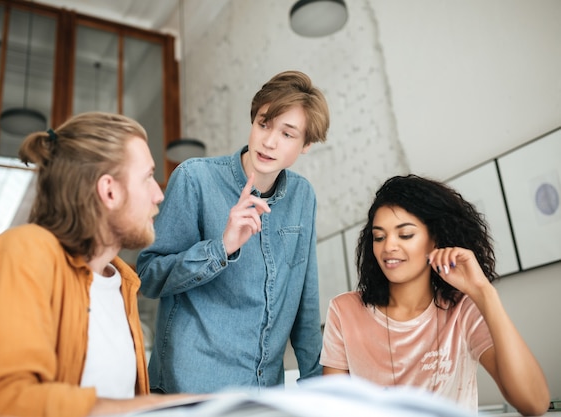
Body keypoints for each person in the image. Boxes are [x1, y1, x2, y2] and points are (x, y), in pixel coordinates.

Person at [0, 112, 192, 417]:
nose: (159, 194)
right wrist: (155, 406)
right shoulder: (21, 252)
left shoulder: (123, 284)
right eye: (148, 178)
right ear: (109, 191)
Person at [136, 70, 329, 393]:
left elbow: (305, 302)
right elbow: (148, 276)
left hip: (263, 393)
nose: (269, 141)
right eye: (263, 124)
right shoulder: (195, 179)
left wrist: (317, 389)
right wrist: (221, 247)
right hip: (191, 389)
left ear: (307, 144)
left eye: (288, 134)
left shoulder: (302, 196)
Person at [320, 174, 550, 415]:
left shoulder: (463, 310)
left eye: (405, 235)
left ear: (435, 239)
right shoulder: (344, 310)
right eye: (379, 237)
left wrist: (484, 293)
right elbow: (332, 410)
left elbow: (533, 404)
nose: (388, 247)